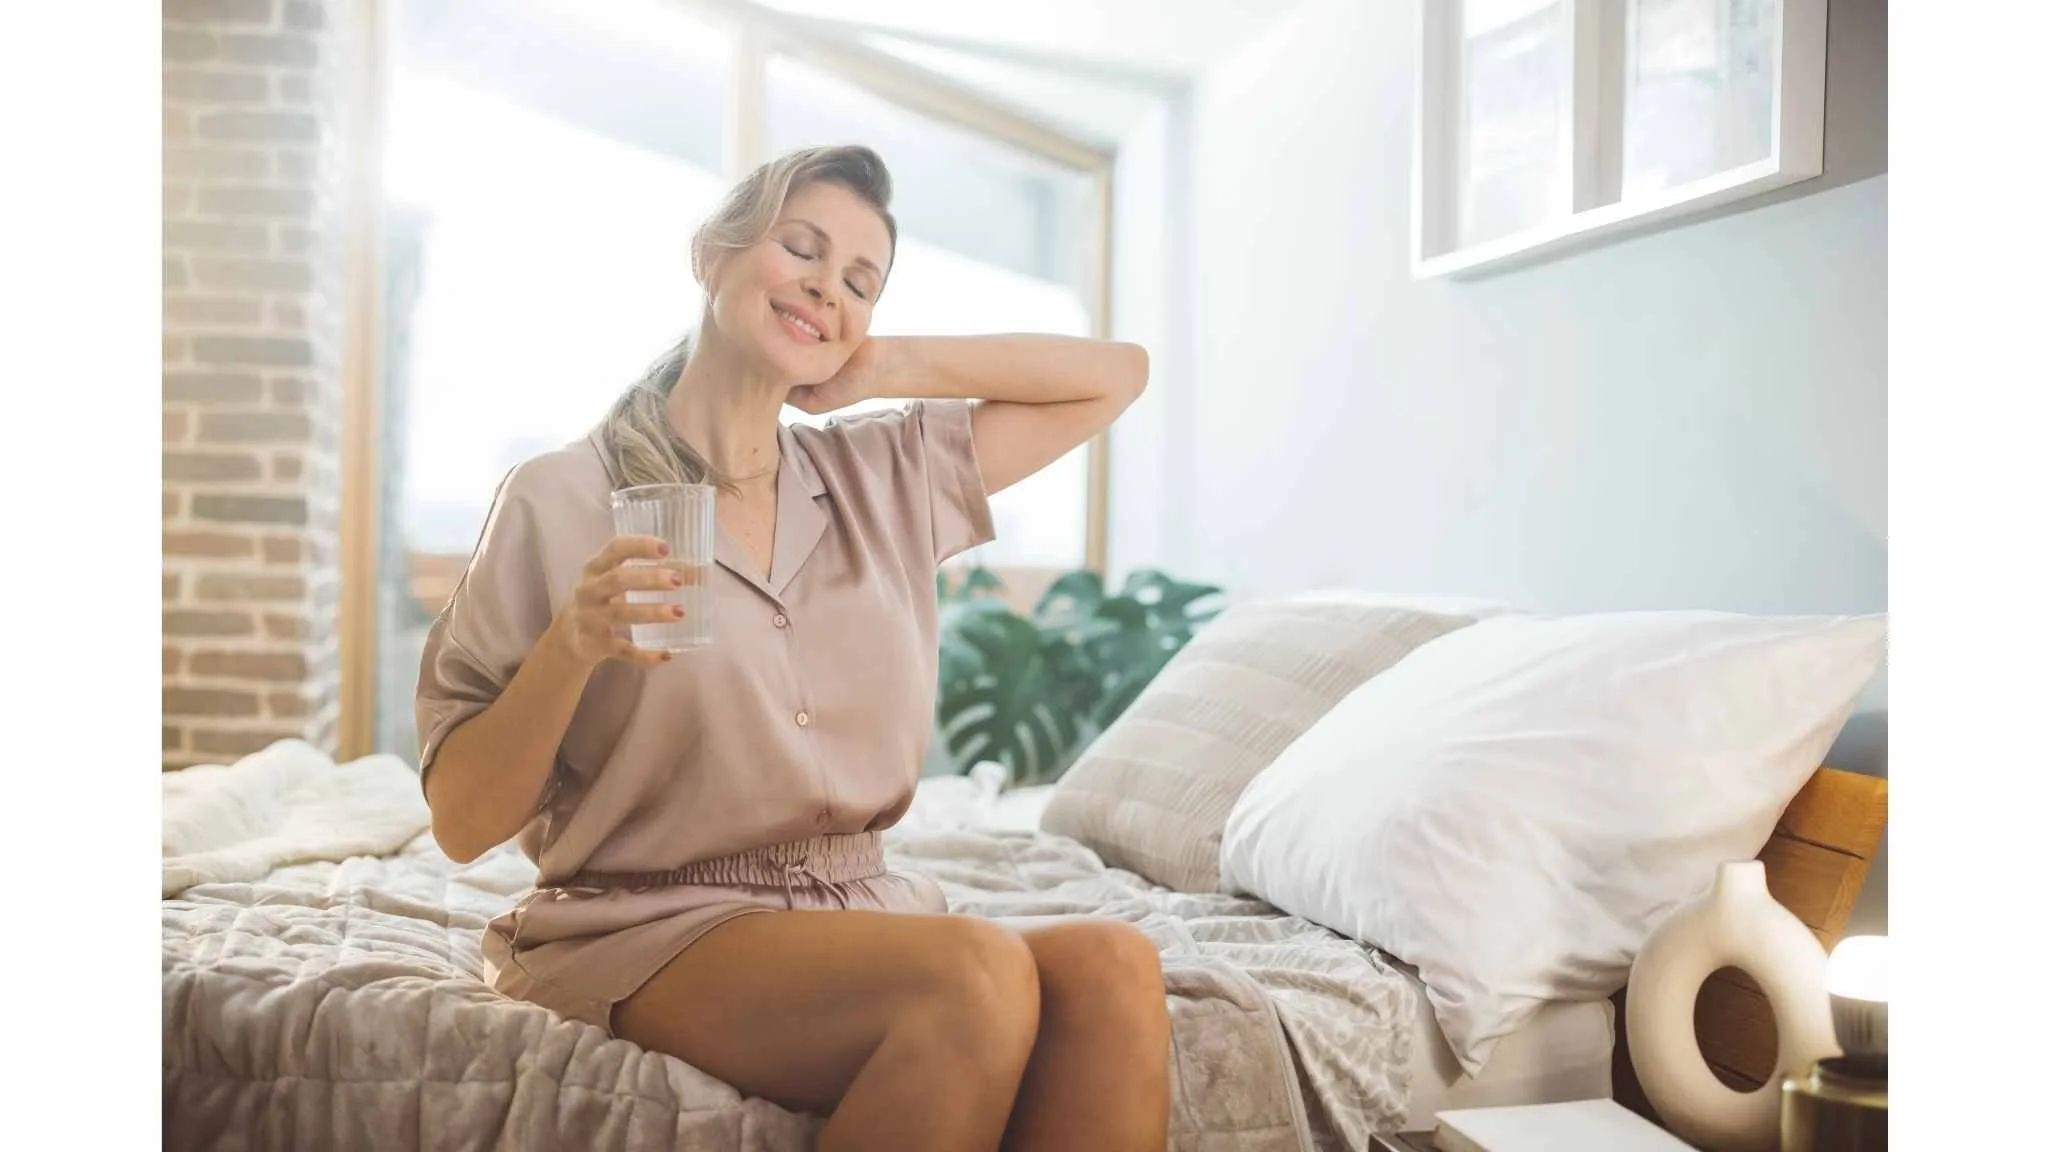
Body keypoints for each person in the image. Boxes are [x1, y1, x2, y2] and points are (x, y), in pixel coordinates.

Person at [414, 144, 1164, 1151]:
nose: (825, 285)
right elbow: (463, 823)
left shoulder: (885, 474)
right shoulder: (559, 497)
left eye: (860, 279)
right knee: (974, 975)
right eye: (799, 249)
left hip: (857, 904)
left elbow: (1117, 377)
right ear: (711, 255)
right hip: (649, 921)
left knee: (1116, 970)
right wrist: (571, 645)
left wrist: (880, 361)